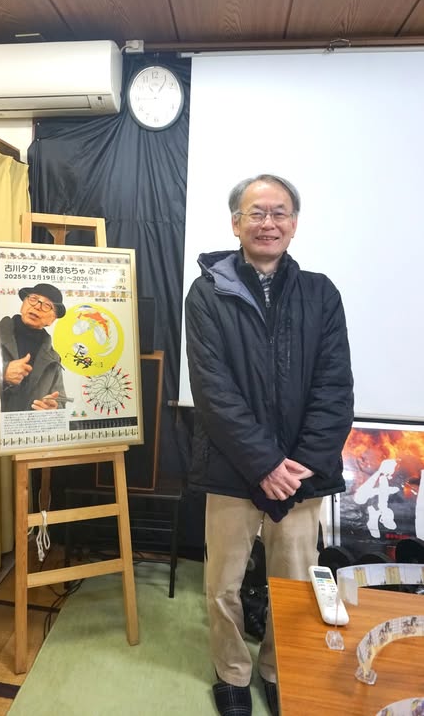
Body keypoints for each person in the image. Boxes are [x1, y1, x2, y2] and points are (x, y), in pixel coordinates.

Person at [185, 174, 354, 716]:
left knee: (295, 584)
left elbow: (334, 387)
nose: (268, 223)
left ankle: (280, 670)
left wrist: (299, 464)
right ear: (235, 223)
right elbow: (213, 390)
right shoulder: (207, 292)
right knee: (223, 585)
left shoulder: (320, 293)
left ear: (294, 224)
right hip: (232, 467)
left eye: (279, 213)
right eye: (256, 213)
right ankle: (232, 672)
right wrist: (263, 463)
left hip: (301, 474)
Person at [0, 283, 66, 412]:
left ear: (52, 320)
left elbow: (60, 400)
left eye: (47, 305)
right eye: (33, 299)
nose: (37, 306)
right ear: (23, 304)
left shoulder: (53, 358)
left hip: (31, 424)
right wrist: (2, 373)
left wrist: (54, 408)